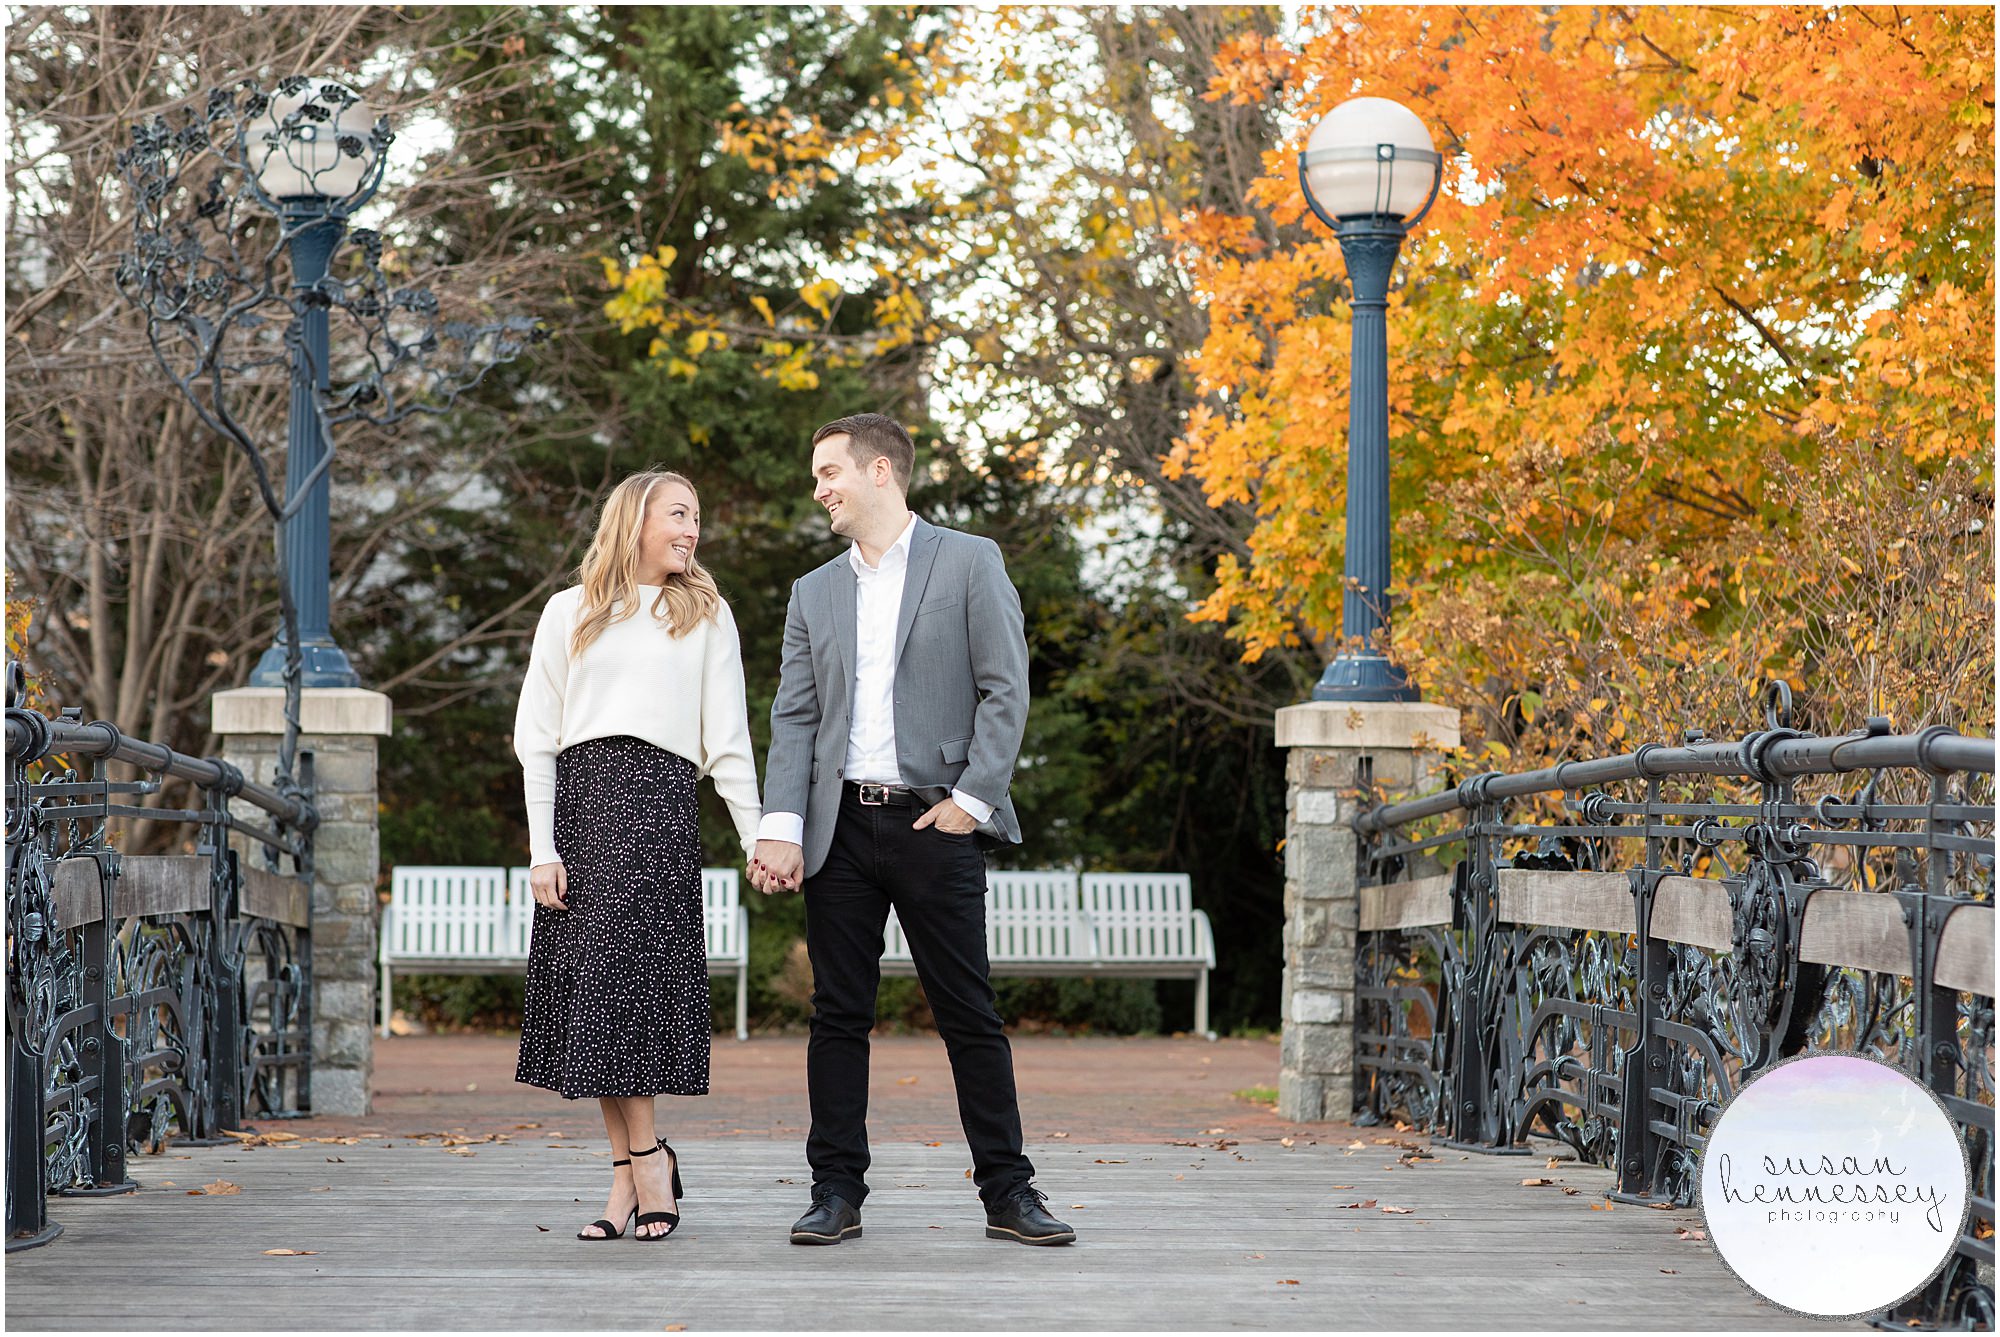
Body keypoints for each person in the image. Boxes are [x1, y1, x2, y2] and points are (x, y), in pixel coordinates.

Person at [748, 412, 1074, 1247]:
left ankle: (1009, 1193)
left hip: (938, 821)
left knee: (969, 1012)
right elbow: (794, 717)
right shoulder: (812, 590)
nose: (818, 487)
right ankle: (835, 1192)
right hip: (840, 832)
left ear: (881, 469)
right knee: (837, 1015)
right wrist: (780, 824)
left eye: (829, 471)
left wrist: (973, 798)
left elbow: (1008, 689)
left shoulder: (970, 561)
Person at [513, 469, 761, 1242]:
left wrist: (758, 838)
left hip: (656, 808)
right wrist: (542, 846)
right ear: (636, 519)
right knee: (593, 996)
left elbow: (727, 739)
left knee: (626, 987)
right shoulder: (569, 609)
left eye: (697, 517)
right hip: (580, 810)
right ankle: (631, 1171)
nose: (693, 529)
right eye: (679, 514)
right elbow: (536, 738)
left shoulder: (707, 615)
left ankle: (645, 1160)